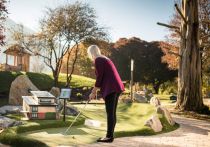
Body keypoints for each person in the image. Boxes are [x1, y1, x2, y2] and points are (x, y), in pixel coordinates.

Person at [87, 45, 125, 143]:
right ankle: (110, 136)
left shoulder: (98, 60)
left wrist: (93, 92)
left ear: (91, 53)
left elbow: (100, 77)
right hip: (116, 87)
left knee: (110, 113)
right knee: (112, 113)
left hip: (111, 88)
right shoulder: (105, 58)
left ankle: (109, 137)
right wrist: (95, 90)